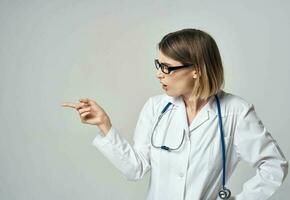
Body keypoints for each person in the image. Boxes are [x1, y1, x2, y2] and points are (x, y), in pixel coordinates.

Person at [61, 28, 288, 200]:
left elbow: (274, 165)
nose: (159, 74)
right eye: (158, 65)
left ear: (196, 70)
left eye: (167, 68)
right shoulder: (155, 107)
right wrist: (104, 125)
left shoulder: (235, 111)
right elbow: (136, 168)